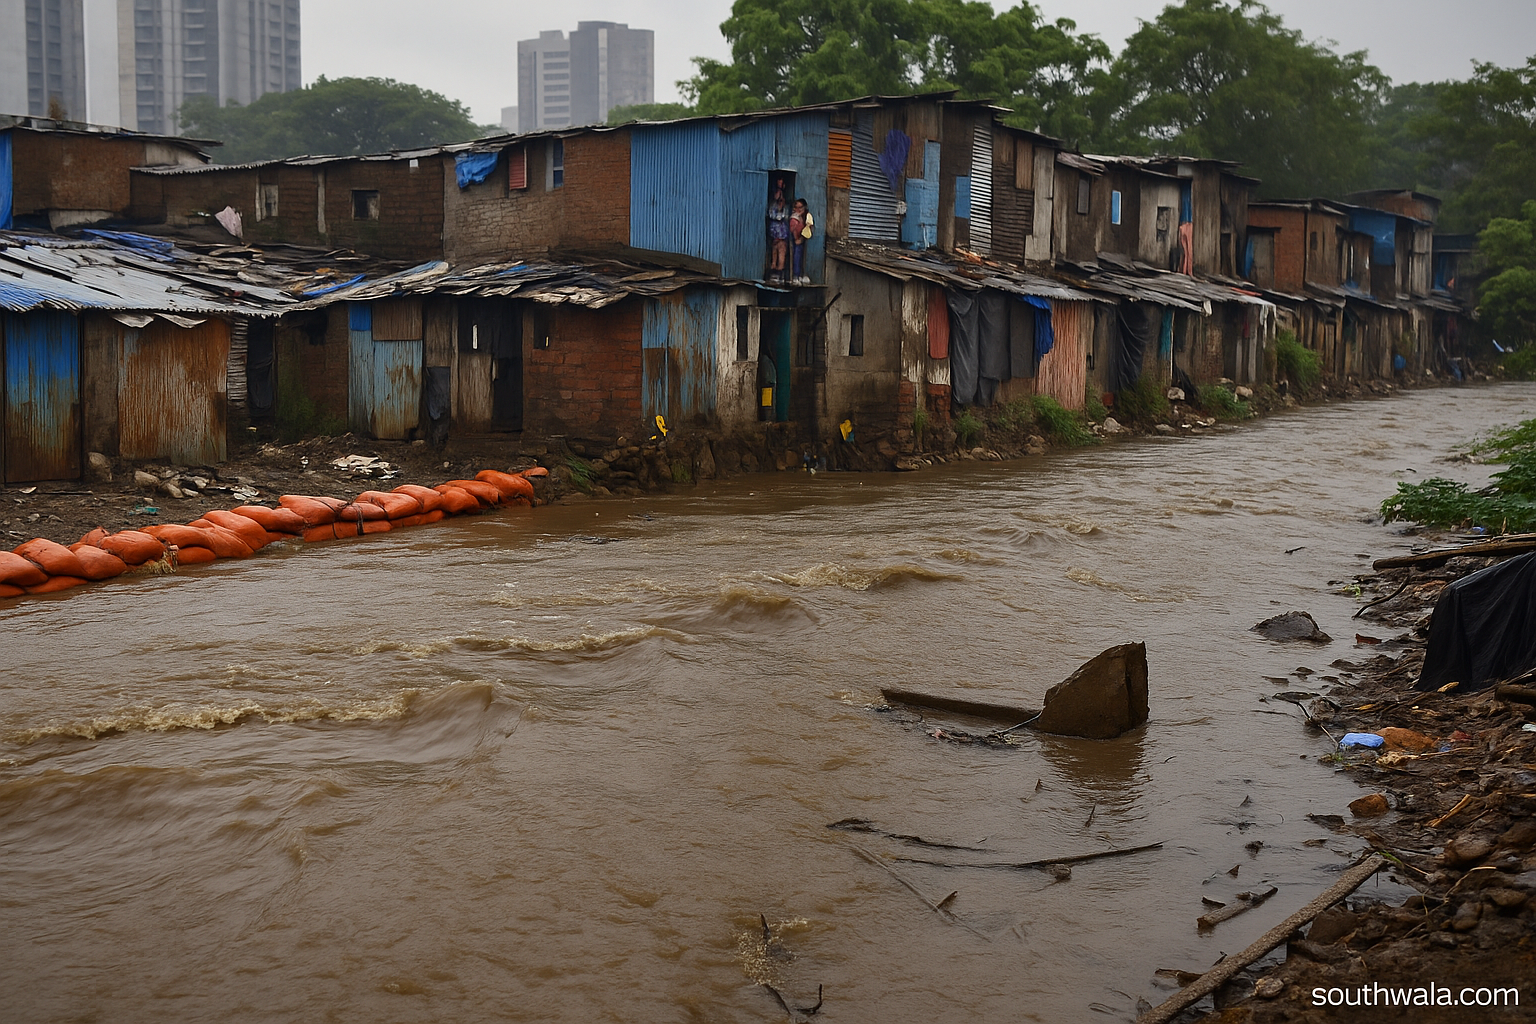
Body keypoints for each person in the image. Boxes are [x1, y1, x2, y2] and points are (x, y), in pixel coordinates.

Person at [767, 184, 790, 283]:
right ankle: (773, 272)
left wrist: (781, 210)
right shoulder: (772, 205)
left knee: (781, 255)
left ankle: (780, 274)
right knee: (774, 255)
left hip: (783, 237)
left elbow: (785, 216)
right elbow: (772, 215)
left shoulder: (786, 207)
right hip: (774, 236)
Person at [789, 198, 814, 285]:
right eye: (796, 207)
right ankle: (796, 276)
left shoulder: (807, 216)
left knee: (805, 256)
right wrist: (797, 239)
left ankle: (803, 275)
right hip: (796, 240)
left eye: (800, 208)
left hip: (804, 239)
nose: (798, 210)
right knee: (796, 255)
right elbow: (793, 230)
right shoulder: (794, 218)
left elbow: (809, 228)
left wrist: (802, 238)